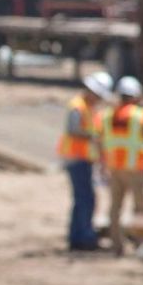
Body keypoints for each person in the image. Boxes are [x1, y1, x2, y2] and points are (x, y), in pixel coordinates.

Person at [58, 71, 112, 251]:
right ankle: (83, 237)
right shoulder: (78, 106)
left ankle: (78, 236)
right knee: (85, 199)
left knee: (83, 199)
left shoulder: (88, 108)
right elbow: (73, 129)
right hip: (76, 159)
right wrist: (94, 136)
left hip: (84, 159)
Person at [102, 76, 143, 255]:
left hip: (114, 167)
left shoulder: (108, 115)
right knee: (140, 207)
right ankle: (142, 244)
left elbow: (102, 141)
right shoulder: (140, 115)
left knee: (115, 208)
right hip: (135, 167)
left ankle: (116, 245)